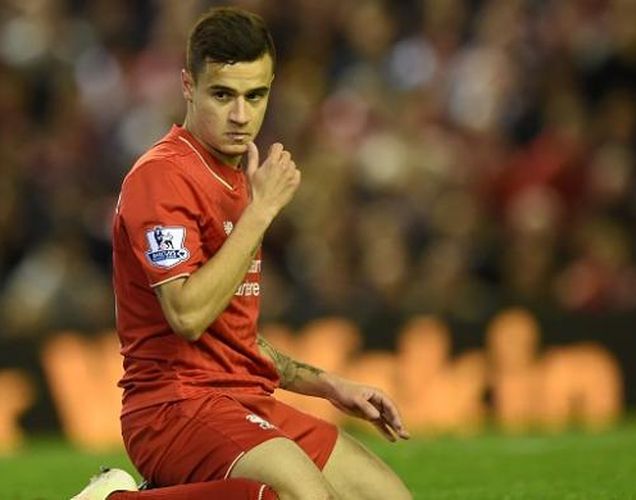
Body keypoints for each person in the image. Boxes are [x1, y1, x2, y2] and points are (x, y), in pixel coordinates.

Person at [73, 6, 411, 500]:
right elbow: (187, 315)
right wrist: (262, 211)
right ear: (188, 85)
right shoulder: (162, 178)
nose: (241, 115)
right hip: (173, 409)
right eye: (223, 95)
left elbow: (235, 336)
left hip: (245, 397)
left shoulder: (237, 177)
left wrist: (329, 386)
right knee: (305, 497)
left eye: (256, 96)